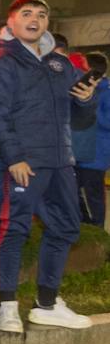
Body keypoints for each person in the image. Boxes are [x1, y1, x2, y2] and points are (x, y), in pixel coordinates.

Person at [0, 0, 97, 332]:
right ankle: (7, 305)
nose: (35, 19)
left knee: (65, 227)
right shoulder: (0, 63)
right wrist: (14, 157)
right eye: (26, 13)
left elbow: (80, 116)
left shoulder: (61, 65)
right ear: (10, 23)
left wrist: (86, 101)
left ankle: (47, 303)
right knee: (15, 228)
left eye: (42, 14)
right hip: (22, 163)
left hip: (59, 163)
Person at [72, 52, 110, 227]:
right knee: (72, 191)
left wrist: (89, 110)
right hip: (80, 151)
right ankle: (86, 225)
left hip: (96, 155)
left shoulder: (106, 92)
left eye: (82, 65)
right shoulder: (84, 88)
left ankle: (98, 230)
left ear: (90, 69)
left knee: (93, 195)